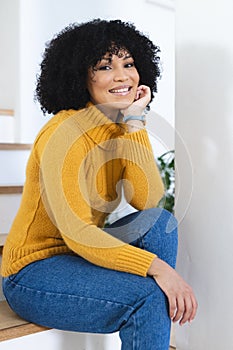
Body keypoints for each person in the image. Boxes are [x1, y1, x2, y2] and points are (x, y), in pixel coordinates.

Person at [1, 19, 197, 350]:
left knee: (159, 222)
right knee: (148, 297)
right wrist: (159, 270)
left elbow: (148, 200)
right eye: (105, 66)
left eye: (129, 63)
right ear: (81, 75)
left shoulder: (118, 126)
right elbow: (78, 233)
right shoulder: (63, 134)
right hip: (31, 274)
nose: (122, 75)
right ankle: (148, 318)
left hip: (77, 259)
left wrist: (135, 122)